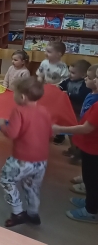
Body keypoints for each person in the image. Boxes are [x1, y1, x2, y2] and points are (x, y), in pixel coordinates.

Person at [0, 76, 52, 227]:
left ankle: (18, 213)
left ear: (22, 97)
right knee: (32, 186)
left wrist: (2, 125)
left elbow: (12, 134)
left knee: (6, 180)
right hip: (41, 160)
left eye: (14, 93)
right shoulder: (44, 111)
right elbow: (49, 133)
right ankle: (33, 214)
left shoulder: (18, 111)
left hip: (22, 160)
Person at [53, 64, 98, 224]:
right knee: (90, 177)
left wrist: (60, 128)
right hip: (91, 146)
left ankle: (91, 211)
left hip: (94, 149)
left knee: (92, 180)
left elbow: (86, 128)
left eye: (97, 77)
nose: (93, 79)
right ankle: (90, 202)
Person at [67, 64, 98, 196]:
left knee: (91, 169)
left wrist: (60, 128)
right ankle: (85, 179)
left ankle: (87, 188)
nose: (86, 79)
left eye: (90, 77)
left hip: (92, 139)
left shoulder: (96, 100)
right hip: (86, 137)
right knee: (87, 165)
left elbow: (88, 127)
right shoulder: (91, 94)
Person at [56, 60, 91, 149]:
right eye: (69, 71)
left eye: (73, 73)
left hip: (78, 112)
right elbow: (61, 85)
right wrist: (56, 88)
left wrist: (68, 94)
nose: (69, 74)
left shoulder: (85, 84)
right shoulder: (69, 80)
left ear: (83, 75)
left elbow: (82, 96)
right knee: (69, 131)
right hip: (69, 110)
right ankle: (73, 148)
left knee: (75, 131)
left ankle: (76, 149)